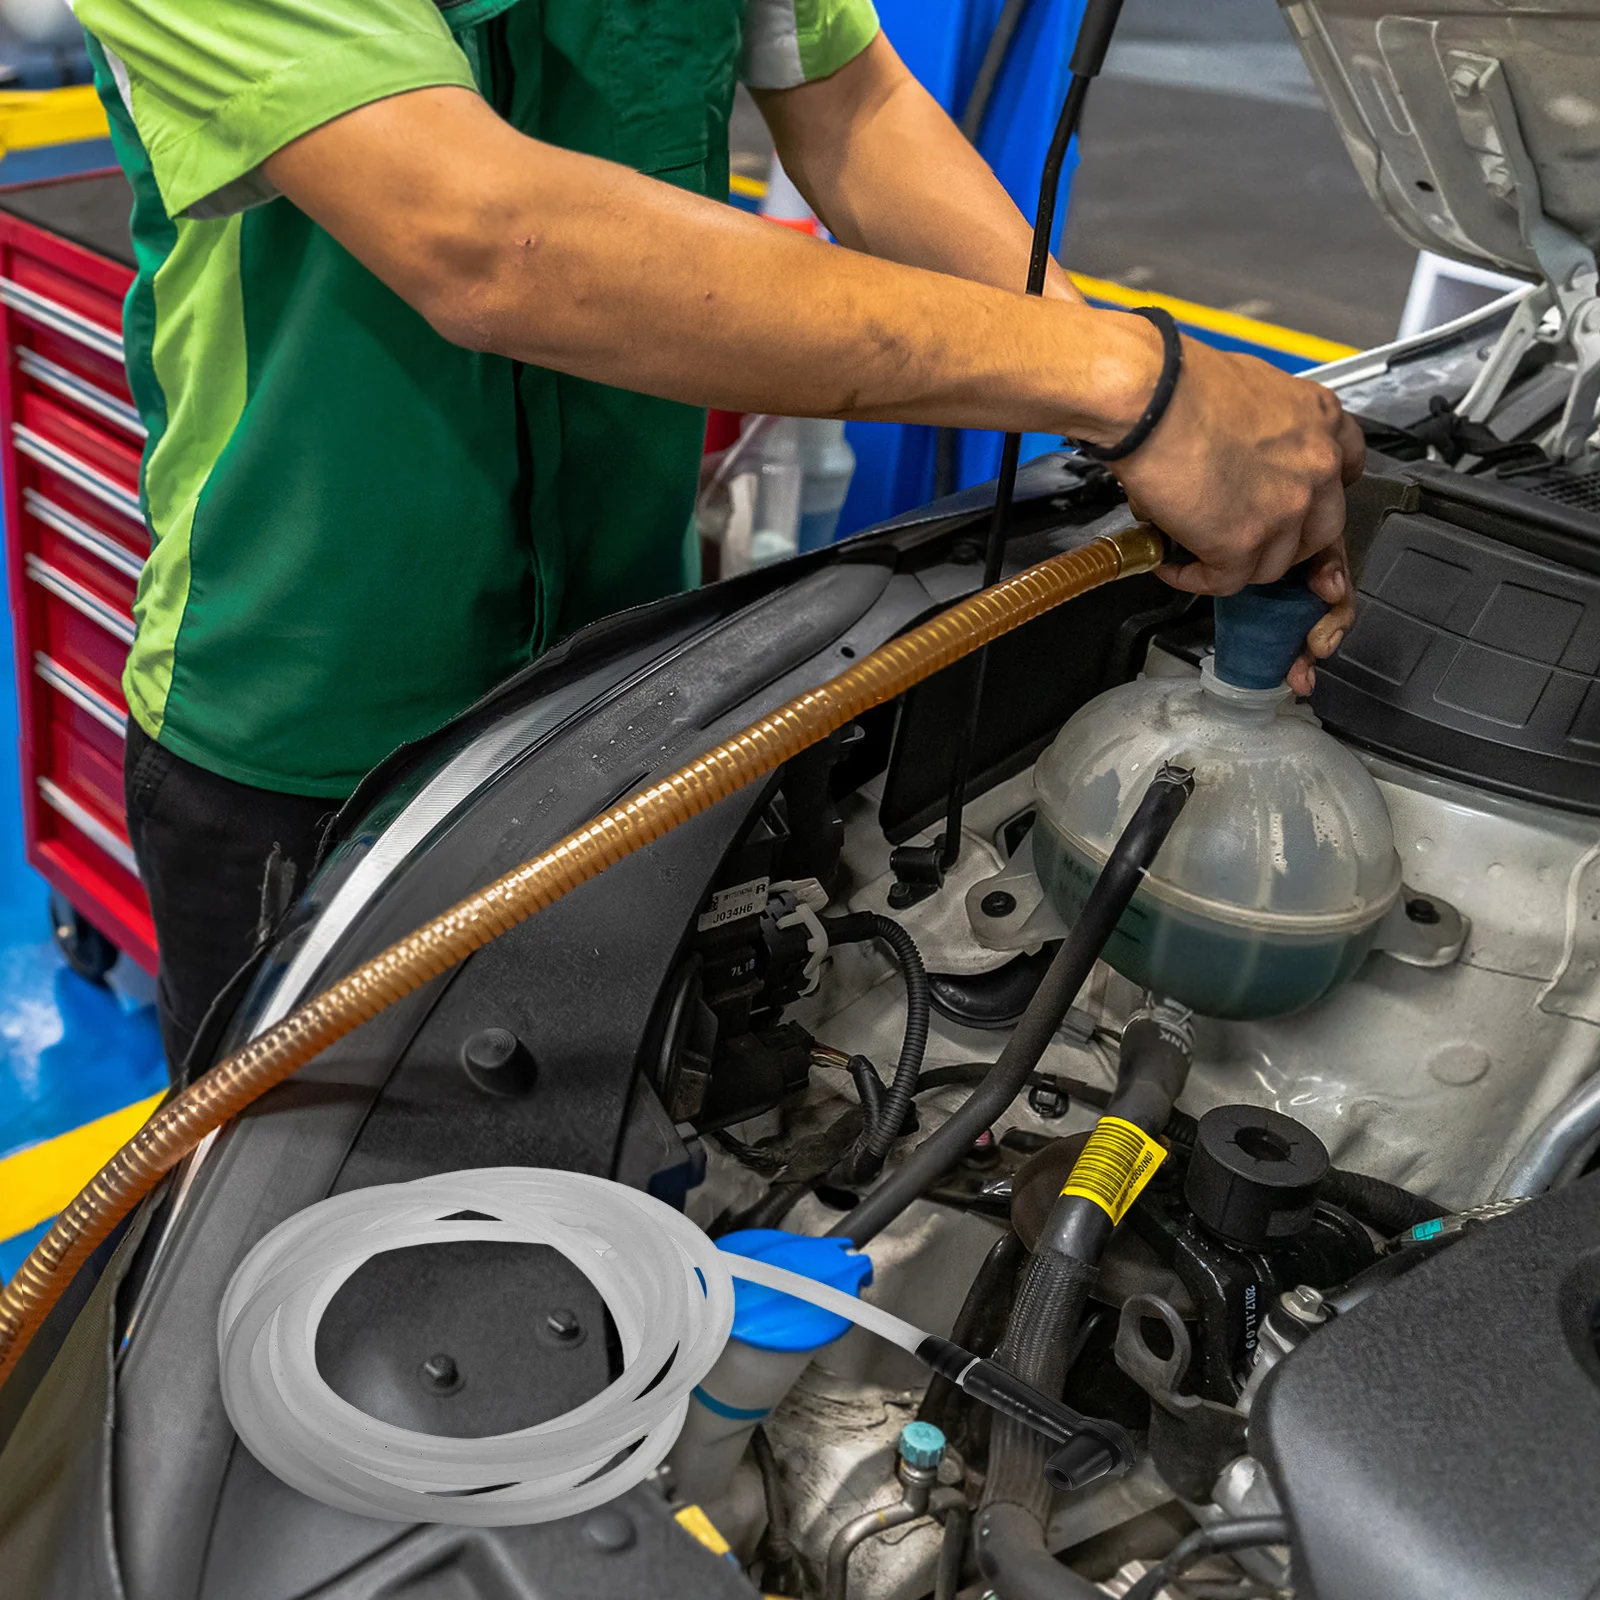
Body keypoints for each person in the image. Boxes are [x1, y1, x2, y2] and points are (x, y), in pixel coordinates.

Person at [73, 0, 1361, 1078]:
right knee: (288, 1237)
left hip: (626, 694)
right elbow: (485, 240)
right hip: (312, 729)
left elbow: (852, 110)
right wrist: (1130, 384)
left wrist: (1150, 438)